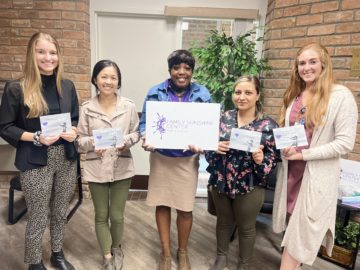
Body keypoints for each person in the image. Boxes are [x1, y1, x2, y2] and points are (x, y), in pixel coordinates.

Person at [272, 43, 358, 270]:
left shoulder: (340, 96)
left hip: (315, 180)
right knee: (293, 235)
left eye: (312, 62)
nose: (306, 67)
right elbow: (291, 133)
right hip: (291, 176)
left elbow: (345, 143)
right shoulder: (296, 96)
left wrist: (304, 155)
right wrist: (286, 149)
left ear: (324, 64)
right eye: (301, 63)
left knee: (298, 241)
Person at [0, 32, 79, 270]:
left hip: (66, 157)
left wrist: (74, 131)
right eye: (41, 51)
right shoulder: (16, 88)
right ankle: (35, 261)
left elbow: (75, 118)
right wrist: (35, 137)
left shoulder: (67, 85)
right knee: (38, 213)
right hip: (35, 159)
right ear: (31, 55)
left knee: (59, 210)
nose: (48, 57)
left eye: (53, 52)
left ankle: (57, 253)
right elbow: (5, 127)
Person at [140, 49, 211, 270]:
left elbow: (209, 126)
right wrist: (145, 136)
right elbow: (145, 123)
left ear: (192, 71)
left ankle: (182, 252)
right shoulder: (155, 92)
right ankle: (166, 254)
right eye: (176, 68)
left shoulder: (203, 94)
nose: (182, 72)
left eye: (187, 68)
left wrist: (204, 143)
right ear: (170, 70)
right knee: (162, 204)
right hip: (162, 158)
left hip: (186, 160)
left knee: (185, 208)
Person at [205, 75, 280, 270]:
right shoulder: (223, 119)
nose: (242, 97)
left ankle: (243, 264)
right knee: (223, 222)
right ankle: (221, 258)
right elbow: (207, 147)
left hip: (250, 185)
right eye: (238, 92)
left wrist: (260, 160)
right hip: (221, 181)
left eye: (248, 92)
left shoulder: (268, 126)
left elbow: (273, 160)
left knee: (247, 228)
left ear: (258, 95)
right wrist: (214, 147)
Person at [76, 60, 140, 270]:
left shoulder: (128, 106)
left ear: (118, 81)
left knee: (117, 215)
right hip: (97, 168)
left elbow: (136, 133)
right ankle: (107, 256)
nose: (109, 81)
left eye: (113, 77)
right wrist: (93, 143)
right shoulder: (86, 108)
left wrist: (126, 142)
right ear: (95, 79)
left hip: (122, 166)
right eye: (104, 77)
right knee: (101, 215)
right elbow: (79, 141)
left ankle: (117, 247)